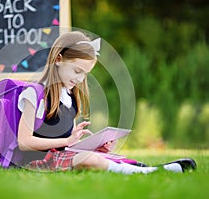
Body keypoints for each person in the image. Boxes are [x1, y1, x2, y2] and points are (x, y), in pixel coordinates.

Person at [16, 31, 196, 174]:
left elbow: (65, 145)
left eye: (85, 74)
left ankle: (150, 169)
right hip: (36, 160)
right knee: (89, 159)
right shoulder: (35, 93)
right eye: (77, 71)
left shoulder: (69, 97)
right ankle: (148, 172)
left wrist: (92, 145)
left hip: (59, 155)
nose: (80, 79)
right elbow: (24, 142)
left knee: (100, 156)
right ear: (58, 60)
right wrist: (67, 141)